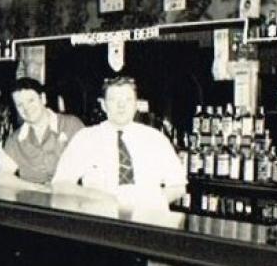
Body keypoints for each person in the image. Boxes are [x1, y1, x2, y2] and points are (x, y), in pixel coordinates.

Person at [52, 74, 186, 204]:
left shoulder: (156, 139)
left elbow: (178, 186)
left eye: (128, 99)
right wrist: (100, 197)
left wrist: (151, 203)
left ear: (136, 104)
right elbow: (60, 185)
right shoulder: (85, 138)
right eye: (113, 100)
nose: (121, 105)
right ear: (103, 105)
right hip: (100, 214)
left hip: (146, 215)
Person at [0, 77, 84, 187]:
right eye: (20, 105)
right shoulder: (15, 140)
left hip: (68, 196)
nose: (26, 108)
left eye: (31, 101)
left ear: (43, 99)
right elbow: (0, 176)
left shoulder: (71, 125)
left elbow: (92, 165)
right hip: (31, 197)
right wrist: (35, 188)